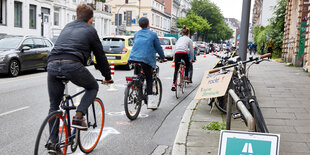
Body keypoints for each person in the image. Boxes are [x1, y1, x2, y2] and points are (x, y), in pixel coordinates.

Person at [47, 3, 113, 133]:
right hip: (72, 64)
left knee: (54, 106)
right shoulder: (91, 30)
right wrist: (107, 76)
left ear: (77, 16)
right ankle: (79, 116)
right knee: (93, 87)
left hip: (52, 64)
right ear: (90, 20)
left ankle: (53, 144)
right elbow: (100, 56)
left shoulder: (67, 26)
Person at [128, 17, 166, 109]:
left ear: (139, 25)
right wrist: (163, 57)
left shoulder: (136, 33)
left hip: (134, 58)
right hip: (146, 59)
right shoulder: (153, 34)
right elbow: (158, 48)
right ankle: (150, 102)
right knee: (149, 78)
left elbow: (137, 45)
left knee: (137, 75)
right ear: (148, 24)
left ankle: (135, 88)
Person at [171, 25, 194, 91]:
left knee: (176, 69)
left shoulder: (179, 39)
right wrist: (192, 59)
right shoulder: (189, 40)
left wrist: (174, 57)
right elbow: (191, 50)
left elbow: (175, 48)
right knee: (187, 63)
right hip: (184, 53)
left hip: (177, 53)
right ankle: (186, 77)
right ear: (188, 33)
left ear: (182, 33)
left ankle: (174, 84)